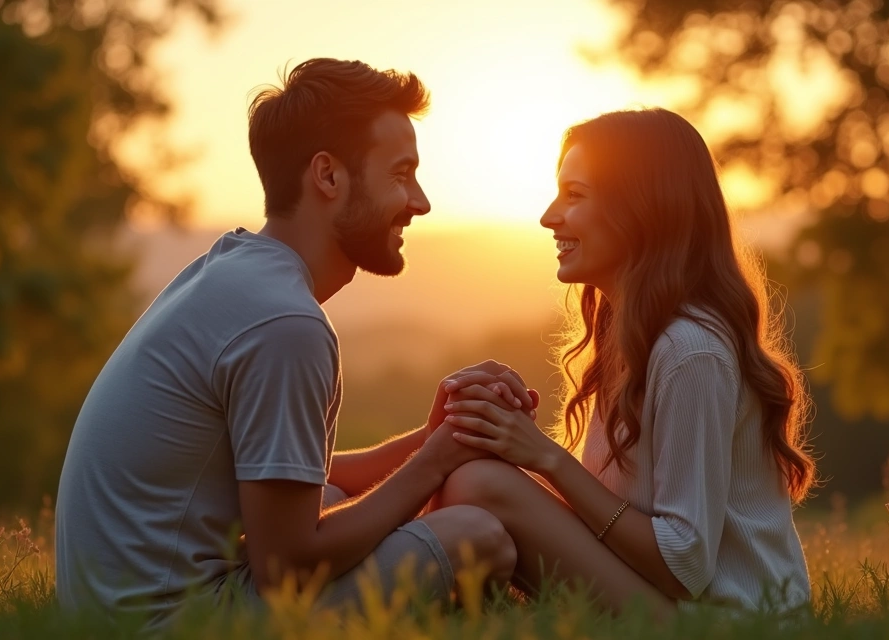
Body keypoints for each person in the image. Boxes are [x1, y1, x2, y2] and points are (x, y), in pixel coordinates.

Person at [54, 58, 531, 628]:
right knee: (477, 537)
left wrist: (434, 438)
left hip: (112, 616)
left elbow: (293, 487)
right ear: (328, 176)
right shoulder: (285, 325)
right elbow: (288, 565)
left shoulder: (233, 275)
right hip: (169, 624)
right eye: (401, 174)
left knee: (328, 495)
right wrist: (437, 462)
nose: (420, 201)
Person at [435, 108, 817, 614]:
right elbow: (609, 517)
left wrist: (547, 459)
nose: (549, 216)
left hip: (727, 620)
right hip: (670, 603)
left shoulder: (690, 353)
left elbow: (684, 564)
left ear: (641, 208)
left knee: (479, 483)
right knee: (477, 473)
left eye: (575, 195)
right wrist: (512, 441)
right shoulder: (629, 335)